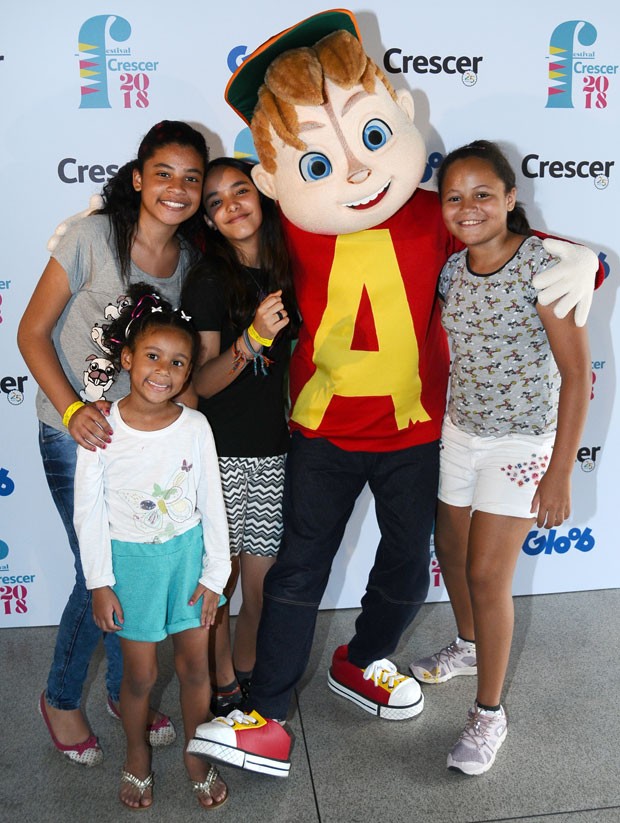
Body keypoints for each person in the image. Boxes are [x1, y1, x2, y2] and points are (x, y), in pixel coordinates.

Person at [188, 12, 601, 779]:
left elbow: (505, 245)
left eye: (370, 139)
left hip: (415, 436)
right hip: (323, 435)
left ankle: (364, 656)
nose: (350, 171)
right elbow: (216, 230)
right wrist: (108, 219)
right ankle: (268, 713)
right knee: (298, 573)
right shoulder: (286, 223)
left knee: (409, 569)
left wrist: (583, 265)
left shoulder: (430, 212)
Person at [17, 120, 209, 766]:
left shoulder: (189, 263)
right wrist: (73, 409)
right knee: (94, 571)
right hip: (73, 431)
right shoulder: (92, 236)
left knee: (126, 565)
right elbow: (32, 333)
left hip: (138, 442)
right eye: (164, 174)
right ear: (138, 177)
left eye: (191, 178)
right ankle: (62, 694)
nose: (176, 189)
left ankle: (120, 691)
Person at [409, 140, 591, 775]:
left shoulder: (544, 268)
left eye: (483, 193)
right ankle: (467, 645)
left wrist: (560, 472)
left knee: (489, 577)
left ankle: (489, 715)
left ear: (511, 200)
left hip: (521, 444)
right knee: (452, 556)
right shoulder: (452, 271)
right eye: (453, 197)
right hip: (460, 434)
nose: (468, 207)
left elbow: (576, 376)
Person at [75, 285, 230, 808]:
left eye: (178, 361)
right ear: (127, 358)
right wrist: (100, 583)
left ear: (189, 373)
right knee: (139, 677)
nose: (163, 370)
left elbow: (213, 504)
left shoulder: (196, 427)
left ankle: (195, 751)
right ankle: (136, 754)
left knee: (194, 668)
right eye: (152, 356)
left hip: (187, 562)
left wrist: (214, 575)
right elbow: (89, 511)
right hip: (131, 568)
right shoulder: (100, 427)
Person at [181, 156, 297, 716]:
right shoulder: (208, 280)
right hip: (220, 455)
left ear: (262, 194)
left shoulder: (285, 265)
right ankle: (223, 682)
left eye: (240, 191)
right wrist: (251, 338)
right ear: (208, 221)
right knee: (220, 588)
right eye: (216, 202)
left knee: (263, 588)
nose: (231, 205)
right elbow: (199, 382)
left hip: (274, 452)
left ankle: (246, 676)